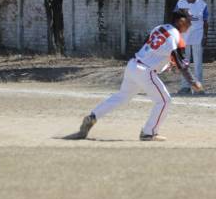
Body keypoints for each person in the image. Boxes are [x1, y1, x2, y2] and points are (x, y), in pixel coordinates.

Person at [74, 10, 202, 141]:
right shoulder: (177, 38)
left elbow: (149, 47)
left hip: (133, 65)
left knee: (121, 97)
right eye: (189, 21)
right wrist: (193, 82)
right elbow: (182, 65)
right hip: (145, 71)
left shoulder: (159, 28)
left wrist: (165, 63)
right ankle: (148, 133)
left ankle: (93, 117)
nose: (190, 24)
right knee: (164, 101)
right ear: (181, 21)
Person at [174, 0, 208, 94]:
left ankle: (198, 87)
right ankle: (185, 86)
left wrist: (205, 36)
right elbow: (175, 18)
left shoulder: (202, 4)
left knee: (198, 63)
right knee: (184, 62)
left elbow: (206, 21)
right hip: (184, 37)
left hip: (198, 36)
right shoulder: (180, 3)